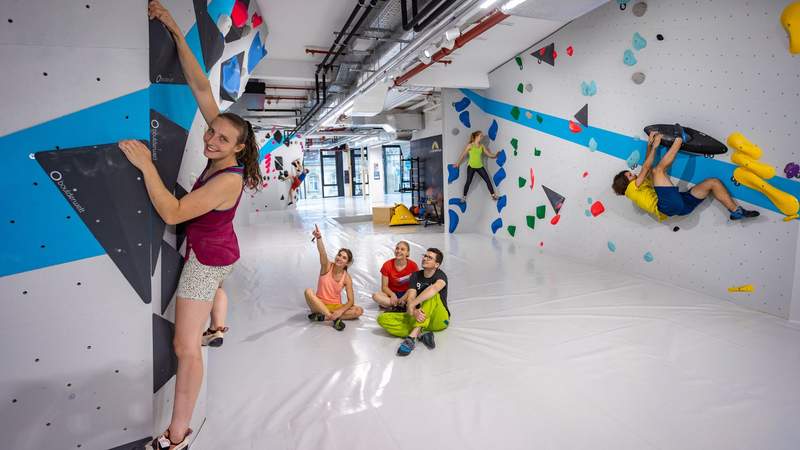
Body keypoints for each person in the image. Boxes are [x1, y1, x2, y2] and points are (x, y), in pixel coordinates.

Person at [119, 2, 262, 449]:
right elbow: (202, 84)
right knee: (196, 331)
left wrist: (146, 166)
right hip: (219, 252)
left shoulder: (227, 179)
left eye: (221, 138)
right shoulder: (224, 153)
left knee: (186, 348)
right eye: (211, 131)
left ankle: (177, 435)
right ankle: (216, 326)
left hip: (206, 262)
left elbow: (174, 213)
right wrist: (176, 30)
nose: (210, 139)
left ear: (238, 149)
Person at [612, 127, 760, 221]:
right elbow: (646, 168)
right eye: (630, 175)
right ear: (626, 183)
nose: (634, 174)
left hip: (681, 207)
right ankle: (679, 141)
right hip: (668, 206)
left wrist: (650, 144)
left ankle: (736, 211)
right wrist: (656, 145)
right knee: (658, 170)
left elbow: (647, 166)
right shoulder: (632, 190)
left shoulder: (639, 188)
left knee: (713, 183)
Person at [376, 248, 450, 357]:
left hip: (438, 319)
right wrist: (413, 309)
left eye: (429, 257)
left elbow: (433, 289)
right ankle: (422, 333)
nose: (425, 258)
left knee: (431, 294)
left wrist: (412, 305)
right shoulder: (415, 275)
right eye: (425, 256)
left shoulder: (440, 276)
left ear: (436, 264)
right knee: (382, 319)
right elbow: (411, 296)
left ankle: (411, 338)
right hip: (420, 316)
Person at [303, 225, 363, 330]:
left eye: (344, 258)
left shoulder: (346, 278)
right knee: (308, 291)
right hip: (318, 304)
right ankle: (334, 319)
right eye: (339, 255)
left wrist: (340, 311)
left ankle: (325, 317)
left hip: (335, 306)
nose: (340, 258)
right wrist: (319, 238)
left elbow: (351, 301)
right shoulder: (327, 266)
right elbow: (322, 253)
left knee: (359, 311)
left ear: (347, 263)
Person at [371, 241, 419, 312]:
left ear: (407, 253)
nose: (398, 251)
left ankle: (395, 306)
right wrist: (392, 295)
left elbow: (414, 286)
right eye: (397, 248)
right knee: (375, 296)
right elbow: (384, 287)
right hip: (391, 294)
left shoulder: (413, 266)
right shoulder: (387, 265)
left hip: (407, 294)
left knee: (416, 294)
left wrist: (404, 298)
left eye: (402, 249)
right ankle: (403, 306)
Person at [452, 130, 499, 202]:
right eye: (481, 136)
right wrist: (457, 163)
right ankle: (464, 197)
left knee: (488, 180)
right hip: (471, 167)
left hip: (480, 166)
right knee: (468, 182)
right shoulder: (470, 145)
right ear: (477, 136)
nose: (482, 137)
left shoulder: (482, 146)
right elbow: (463, 154)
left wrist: (495, 155)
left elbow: (489, 154)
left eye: (482, 136)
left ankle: (493, 196)